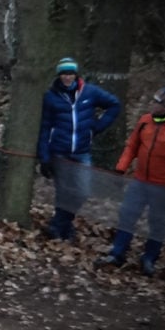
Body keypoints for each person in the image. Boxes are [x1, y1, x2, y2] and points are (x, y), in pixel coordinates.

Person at [36, 57, 120, 240]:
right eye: (64, 74)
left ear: (76, 74)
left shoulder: (90, 92)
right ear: (59, 75)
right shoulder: (51, 97)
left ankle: (60, 224)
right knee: (64, 192)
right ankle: (62, 228)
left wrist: (98, 126)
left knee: (82, 191)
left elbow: (114, 104)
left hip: (82, 152)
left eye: (70, 73)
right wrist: (43, 156)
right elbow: (44, 127)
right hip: (59, 151)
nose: (67, 77)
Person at [95, 87, 165, 276]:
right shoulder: (145, 121)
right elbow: (132, 146)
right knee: (127, 214)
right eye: (154, 100)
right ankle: (118, 253)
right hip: (140, 180)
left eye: (158, 102)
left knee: (157, 222)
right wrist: (121, 167)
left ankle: (149, 258)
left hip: (162, 185)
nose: (153, 104)